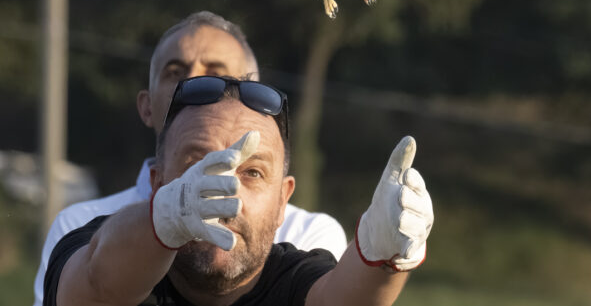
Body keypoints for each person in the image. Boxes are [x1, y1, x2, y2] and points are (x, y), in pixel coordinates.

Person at [32, 12, 347, 306]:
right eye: (174, 72)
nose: (190, 84)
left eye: (217, 75)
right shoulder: (79, 223)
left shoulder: (308, 232)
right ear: (146, 105)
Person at [43, 76, 433, 306]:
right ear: (158, 182)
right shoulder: (96, 243)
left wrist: (382, 255)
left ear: (283, 201)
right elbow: (92, 288)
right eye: (200, 166)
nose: (227, 191)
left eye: (253, 173)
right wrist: (164, 218)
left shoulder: (293, 278)